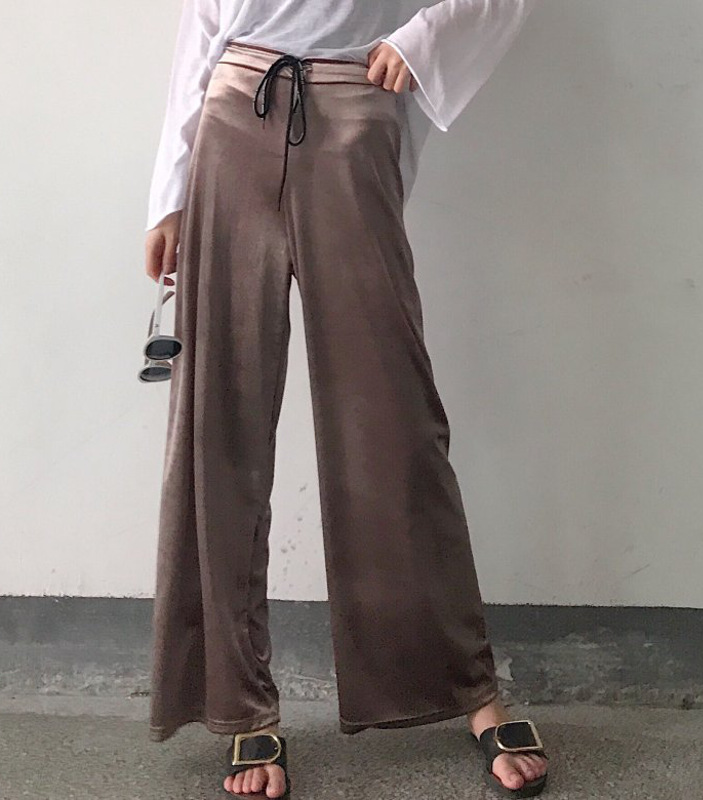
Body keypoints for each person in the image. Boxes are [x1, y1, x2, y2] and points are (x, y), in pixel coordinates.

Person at [143, 2, 548, 798]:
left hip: (356, 113)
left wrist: (420, 40)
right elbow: (204, 22)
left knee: (394, 424)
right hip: (233, 113)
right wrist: (170, 189)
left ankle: (469, 688)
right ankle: (239, 705)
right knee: (219, 424)